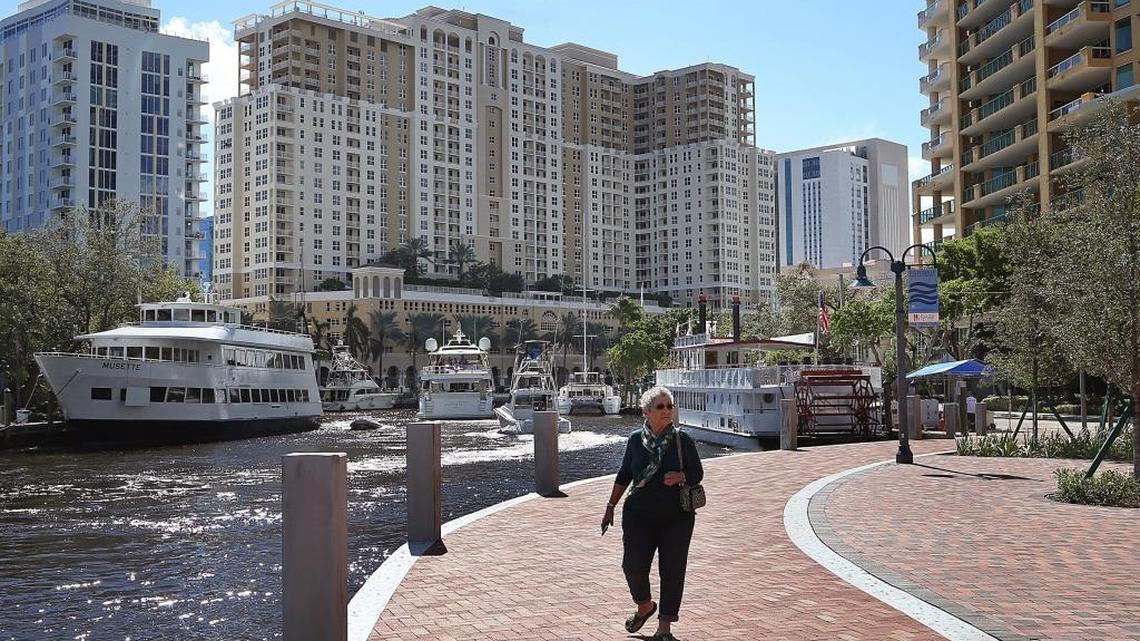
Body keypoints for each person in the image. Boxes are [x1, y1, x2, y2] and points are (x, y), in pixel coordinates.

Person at [601, 386, 703, 641]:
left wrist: (682, 476)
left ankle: (664, 627)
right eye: (661, 407)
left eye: (669, 406)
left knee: (672, 571)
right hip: (638, 515)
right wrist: (610, 506)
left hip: (677, 516)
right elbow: (625, 474)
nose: (667, 411)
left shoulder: (682, 440)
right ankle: (644, 606)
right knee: (632, 566)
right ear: (646, 412)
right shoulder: (636, 440)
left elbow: (697, 473)